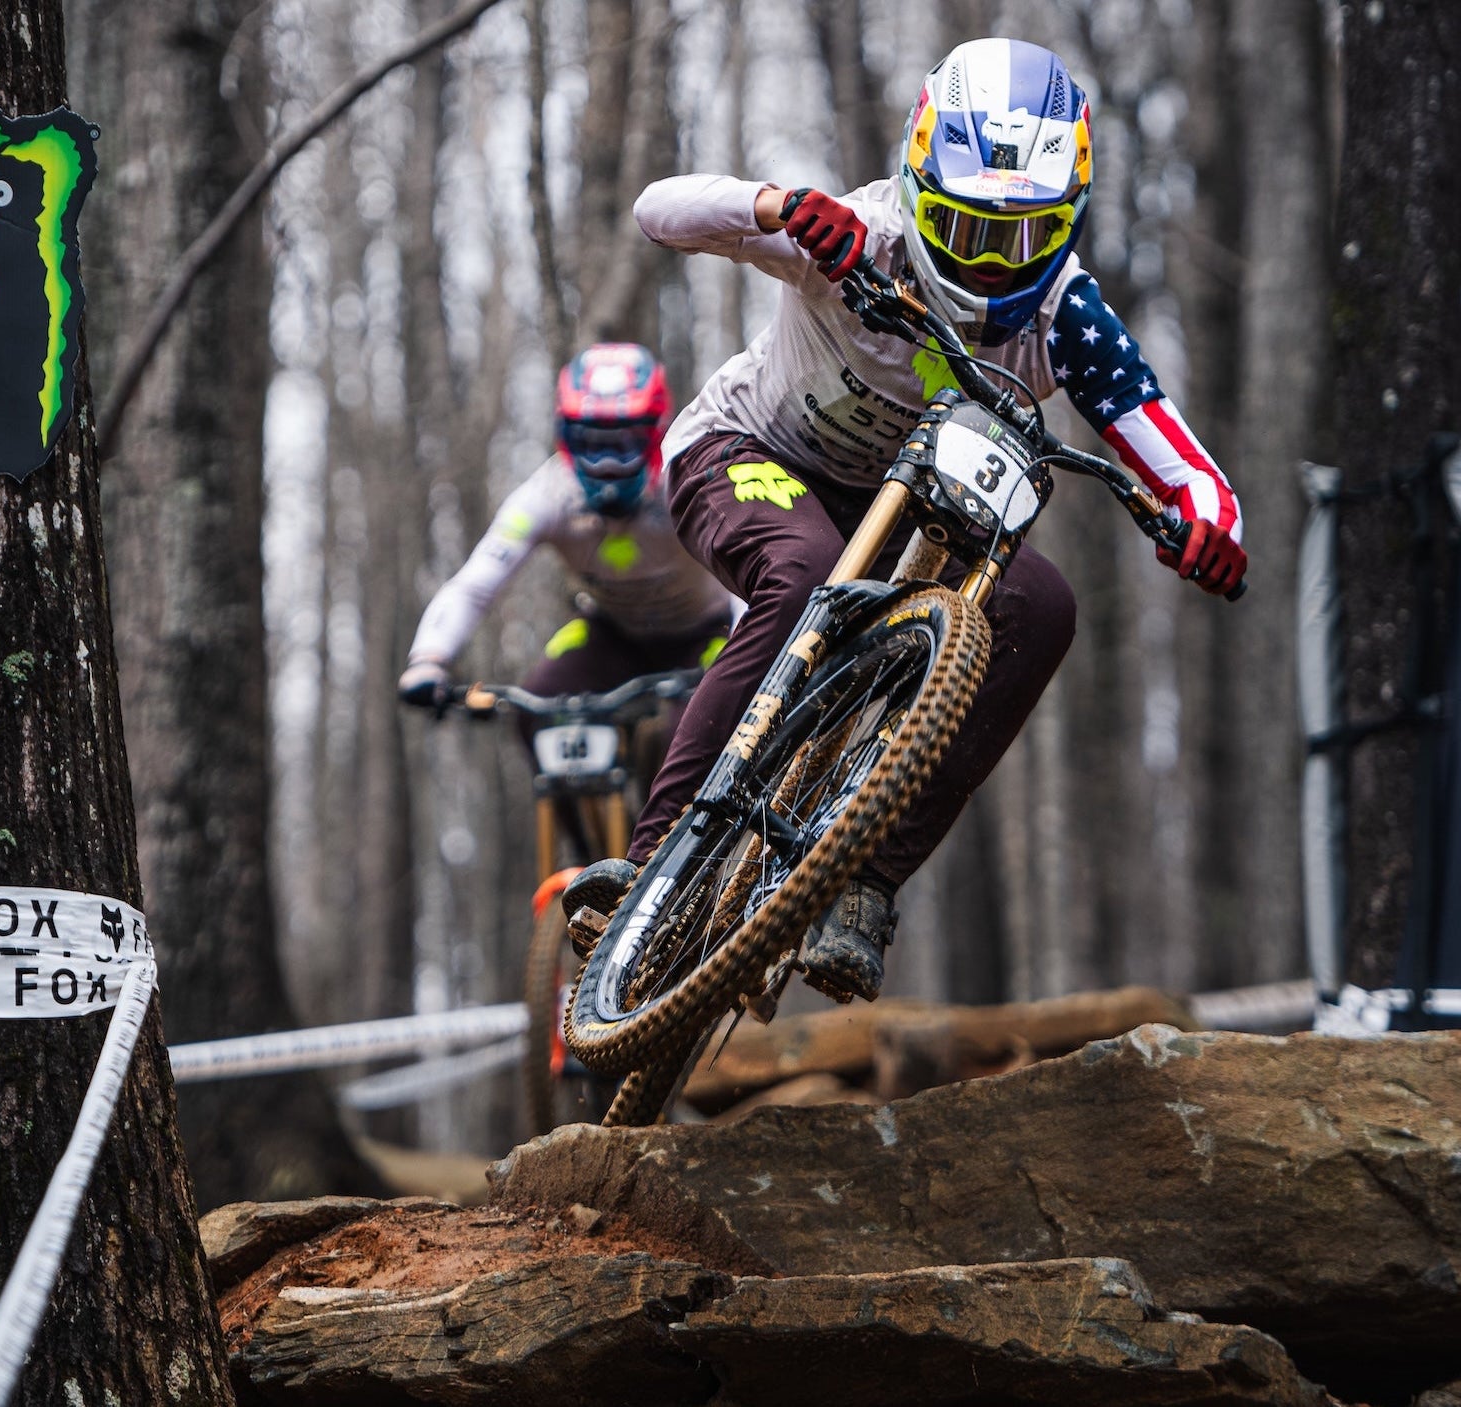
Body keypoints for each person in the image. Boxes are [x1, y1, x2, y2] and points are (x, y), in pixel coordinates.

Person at [565, 37, 1245, 1004]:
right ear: (918, 182)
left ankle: (867, 888)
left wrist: (1208, 521)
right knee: (801, 572)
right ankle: (648, 866)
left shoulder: (1066, 317)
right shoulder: (858, 235)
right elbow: (656, 212)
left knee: (1042, 605)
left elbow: (1174, 452)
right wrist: (778, 208)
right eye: (964, 230)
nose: (987, 263)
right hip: (744, 458)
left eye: (1020, 238)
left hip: (912, 509)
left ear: (1065, 225)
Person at [397, 343, 737, 754]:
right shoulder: (547, 495)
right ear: (566, 438)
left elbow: (746, 572)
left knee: (690, 739)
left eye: (625, 440)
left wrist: (744, 645)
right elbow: (475, 584)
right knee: (537, 716)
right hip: (613, 635)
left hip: (706, 635)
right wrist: (428, 659)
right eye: (592, 442)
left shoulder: (685, 481)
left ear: (656, 432)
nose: (608, 463)